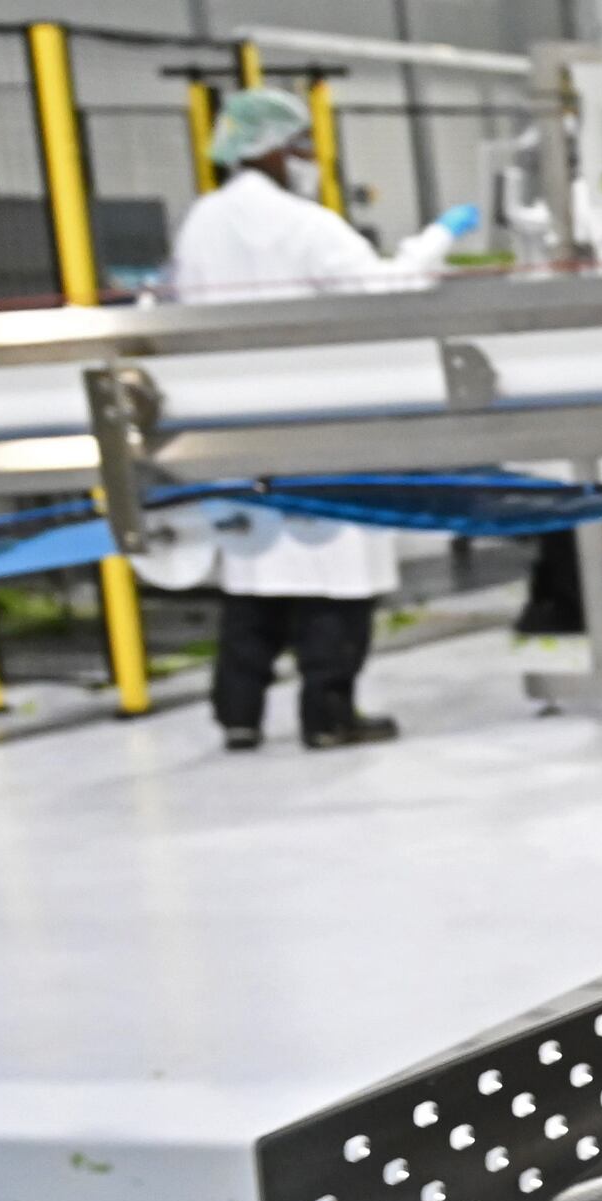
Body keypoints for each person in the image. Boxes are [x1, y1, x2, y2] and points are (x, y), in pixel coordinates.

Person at [143, 89, 481, 750]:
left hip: (230, 421)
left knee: (254, 569)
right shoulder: (304, 223)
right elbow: (381, 290)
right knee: (336, 573)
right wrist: (439, 237)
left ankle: (238, 715)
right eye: (299, 145)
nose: (306, 159)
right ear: (267, 146)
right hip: (320, 414)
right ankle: (328, 716)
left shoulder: (202, 221)